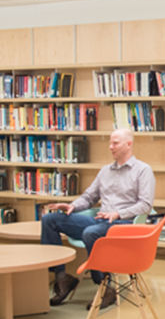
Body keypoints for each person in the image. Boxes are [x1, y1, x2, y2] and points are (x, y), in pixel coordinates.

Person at [42, 129, 155, 307]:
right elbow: (89, 197)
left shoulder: (143, 170)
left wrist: (118, 213)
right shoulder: (105, 171)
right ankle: (62, 278)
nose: (110, 147)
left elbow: (146, 205)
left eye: (115, 143)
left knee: (90, 233)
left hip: (124, 224)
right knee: (50, 220)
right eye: (110, 143)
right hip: (101, 221)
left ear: (128, 144)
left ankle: (105, 286)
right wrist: (73, 206)